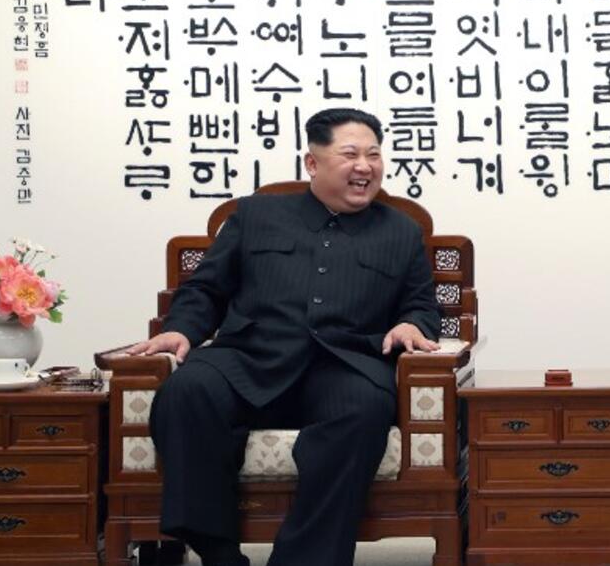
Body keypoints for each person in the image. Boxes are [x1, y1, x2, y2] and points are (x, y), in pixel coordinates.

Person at [128, 107, 442, 566]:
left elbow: (421, 305)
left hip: (343, 366)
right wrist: (181, 331)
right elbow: (206, 288)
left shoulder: (401, 232)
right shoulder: (255, 215)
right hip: (251, 357)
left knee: (364, 411)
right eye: (350, 154)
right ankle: (218, 552)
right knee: (187, 391)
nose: (365, 166)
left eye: (374, 155)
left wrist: (412, 323)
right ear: (312, 163)